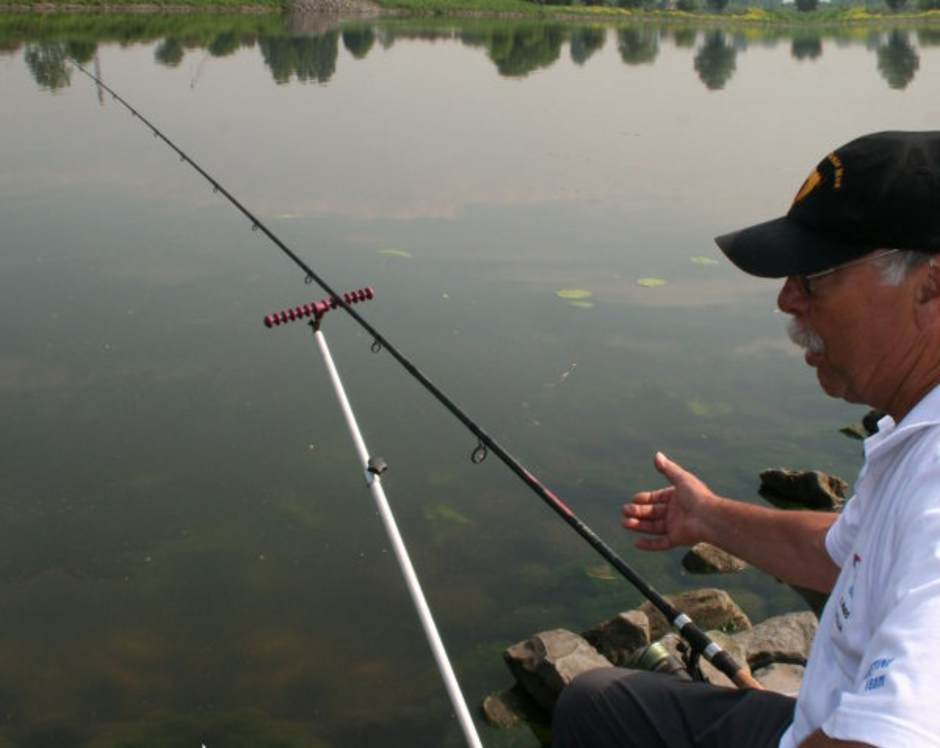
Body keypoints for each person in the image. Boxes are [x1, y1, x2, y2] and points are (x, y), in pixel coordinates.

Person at [551, 131, 940, 748]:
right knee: (596, 706)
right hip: (818, 716)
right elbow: (848, 554)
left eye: (814, 277)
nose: (787, 298)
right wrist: (711, 517)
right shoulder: (915, 425)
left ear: (930, 286)